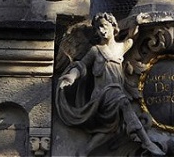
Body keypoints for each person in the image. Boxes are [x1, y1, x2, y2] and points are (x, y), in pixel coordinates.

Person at [56, 13, 164, 156]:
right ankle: (147, 142)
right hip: (103, 94)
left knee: (109, 130)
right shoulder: (96, 50)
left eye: (104, 26)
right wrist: (71, 76)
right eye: (98, 28)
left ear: (113, 27)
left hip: (117, 91)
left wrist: (137, 21)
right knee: (124, 103)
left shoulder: (121, 47)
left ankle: (84, 152)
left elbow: (133, 36)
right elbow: (81, 66)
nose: (101, 31)